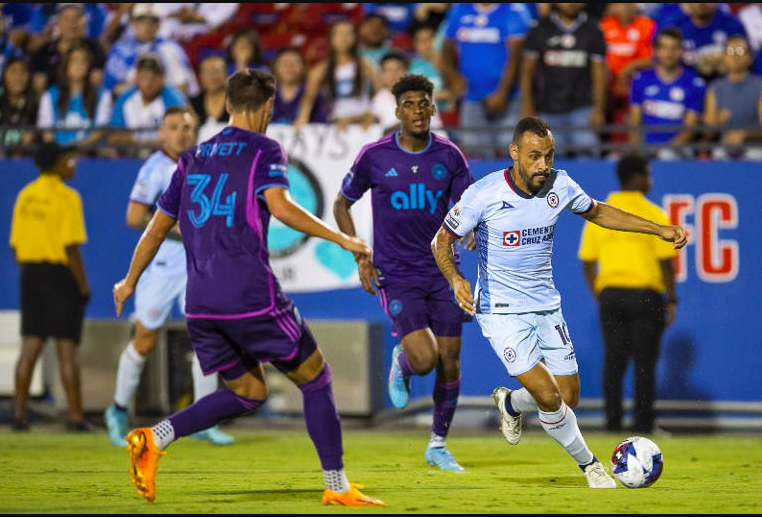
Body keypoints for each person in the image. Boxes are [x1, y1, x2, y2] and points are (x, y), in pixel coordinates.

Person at [111, 69, 383, 507]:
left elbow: (156, 228)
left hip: (200, 303)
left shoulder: (192, 157)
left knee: (248, 392)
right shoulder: (264, 149)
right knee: (316, 377)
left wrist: (129, 280)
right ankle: (337, 486)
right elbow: (282, 207)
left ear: (226, 105)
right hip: (248, 295)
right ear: (269, 106)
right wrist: (343, 239)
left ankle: (154, 437)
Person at [431, 116, 687, 487]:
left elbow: (598, 211)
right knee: (549, 396)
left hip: (546, 306)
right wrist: (455, 278)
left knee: (568, 396)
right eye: (534, 156)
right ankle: (591, 466)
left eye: (549, 156)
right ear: (514, 152)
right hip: (501, 311)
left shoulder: (559, 184)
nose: (543, 165)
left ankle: (511, 403)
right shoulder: (483, 194)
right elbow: (441, 239)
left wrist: (657, 229)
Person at [334, 74, 474, 472]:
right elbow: (341, 204)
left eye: (424, 102)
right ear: (396, 111)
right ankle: (405, 362)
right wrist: (360, 254)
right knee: (426, 359)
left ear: (433, 107)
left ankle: (438, 445)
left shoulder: (450, 156)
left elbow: (468, 206)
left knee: (450, 361)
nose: (417, 110)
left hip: (443, 271)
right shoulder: (374, 156)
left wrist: (472, 227)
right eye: (409, 104)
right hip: (396, 274)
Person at [104, 107, 234, 448]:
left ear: (195, 132)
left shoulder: (204, 164)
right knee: (145, 341)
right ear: (162, 132)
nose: (181, 133)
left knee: (208, 339)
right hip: (161, 268)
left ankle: (205, 420)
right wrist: (184, 230)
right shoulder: (155, 168)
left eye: (186, 127)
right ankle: (117, 410)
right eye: (174, 127)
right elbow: (134, 216)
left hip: (198, 267)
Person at [578, 154, 678, 433]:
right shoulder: (653, 214)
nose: (650, 180)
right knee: (644, 363)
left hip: (611, 295)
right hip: (646, 296)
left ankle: (613, 424)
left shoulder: (601, 213)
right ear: (637, 177)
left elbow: (587, 261)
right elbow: (666, 263)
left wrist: (600, 295)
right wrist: (672, 299)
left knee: (614, 361)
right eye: (647, 173)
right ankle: (643, 424)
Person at [10, 142, 90, 431]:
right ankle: (76, 418)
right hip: (60, 276)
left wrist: (30, 274)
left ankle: (19, 416)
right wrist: (83, 286)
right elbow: (70, 247)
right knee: (66, 349)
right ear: (56, 163)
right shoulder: (68, 197)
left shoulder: (26, 195)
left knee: (30, 345)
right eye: (68, 159)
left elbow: (16, 244)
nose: (72, 164)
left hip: (31, 274)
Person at [442, 3, 531, 156]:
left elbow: (516, 57)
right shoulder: (460, 9)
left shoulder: (514, 9)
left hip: (508, 98)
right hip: (472, 96)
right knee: (474, 152)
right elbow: (447, 47)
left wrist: (503, 92)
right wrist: (453, 76)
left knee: (511, 153)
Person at [521, 3, 607, 157]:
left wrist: (599, 109)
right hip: (548, 109)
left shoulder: (593, 29)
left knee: (588, 156)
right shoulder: (540, 28)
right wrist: (527, 108)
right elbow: (526, 72)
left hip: (583, 109)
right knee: (549, 162)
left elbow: (599, 74)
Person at [629, 28, 706, 158]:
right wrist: (638, 150)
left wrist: (663, 152)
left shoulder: (694, 83)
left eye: (674, 48)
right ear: (656, 51)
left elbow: (689, 129)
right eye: (664, 48)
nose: (669, 54)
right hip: (645, 148)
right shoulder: (641, 80)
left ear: (682, 51)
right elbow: (634, 122)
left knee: (668, 156)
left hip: (678, 150)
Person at [296, 19, 381, 131]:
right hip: (337, 124)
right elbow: (308, 99)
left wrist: (375, 114)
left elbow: (382, 91)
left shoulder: (365, 63)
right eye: (339, 34)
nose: (344, 38)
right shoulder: (321, 69)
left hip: (363, 122)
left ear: (355, 38)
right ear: (331, 39)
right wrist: (302, 119)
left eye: (348, 34)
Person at [104, 3, 199, 96]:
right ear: (133, 23)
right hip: (124, 101)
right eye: (142, 21)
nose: (147, 26)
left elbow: (182, 87)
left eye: (152, 22)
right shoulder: (121, 48)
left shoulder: (170, 49)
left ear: (159, 25)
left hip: (161, 102)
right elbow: (109, 86)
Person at [36, 43, 111, 146]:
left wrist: (77, 148)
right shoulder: (50, 94)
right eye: (74, 61)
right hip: (58, 152)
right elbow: (46, 133)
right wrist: (62, 151)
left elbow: (101, 130)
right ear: (66, 65)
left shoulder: (103, 94)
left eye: (83, 61)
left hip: (90, 151)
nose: (79, 65)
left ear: (89, 66)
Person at [108, 54, 186, 146]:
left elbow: (181, 135)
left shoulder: (173, 98)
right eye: (144, 77)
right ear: (136, 77)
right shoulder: (125, 99)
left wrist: (131, 138)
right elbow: (114, 136)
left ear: (162, 78)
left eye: (154, 77)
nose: (149, 83)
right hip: (129, 154)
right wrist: (152, 140)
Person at [704, 36, 762, 160]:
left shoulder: (760, 86)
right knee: (718, 155)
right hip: (724, 147)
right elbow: (708, 132)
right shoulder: (715, 88)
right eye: (730, 51)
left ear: (750, 57)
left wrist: (744, 134)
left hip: (755, 148)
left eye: (740, 51)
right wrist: (717, 122)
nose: (735, 56)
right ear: (724, 57)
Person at [30, 3, 106, 95]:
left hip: (86, 100)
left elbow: (98, 80)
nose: (72, 24)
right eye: (67, 19)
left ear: (84, 22)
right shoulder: (44, 52)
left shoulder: (94, 49)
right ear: (58, 23)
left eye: (77, 18)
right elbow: (38, 86)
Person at [668, 3, 746, 82]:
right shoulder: (676, 28)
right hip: (687, 84)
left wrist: (725, 60)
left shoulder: (732, 25)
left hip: (728, 82)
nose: (701, 4)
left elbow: (743, 53)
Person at [271, 47, 327, 125]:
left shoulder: (313, 92)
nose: (289, 67)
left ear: (304, 67)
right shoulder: (266, 93)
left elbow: (321, 124)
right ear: (275, 66)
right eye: (284, 63)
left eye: (295, 63)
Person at [0, 57, 38, 154]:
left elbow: (30, 137)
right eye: (13, 72)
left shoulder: (35, 104)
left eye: (22, 72)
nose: (18, 77)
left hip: (23, 157)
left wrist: (18, 155)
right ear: (4, 75)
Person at [190, 54, 230, 142]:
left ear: (226, 73)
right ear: (200, 76)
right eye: (207, 72)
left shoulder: (236, 100)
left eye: (216, 71)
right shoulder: (193, 103)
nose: (212, 76)